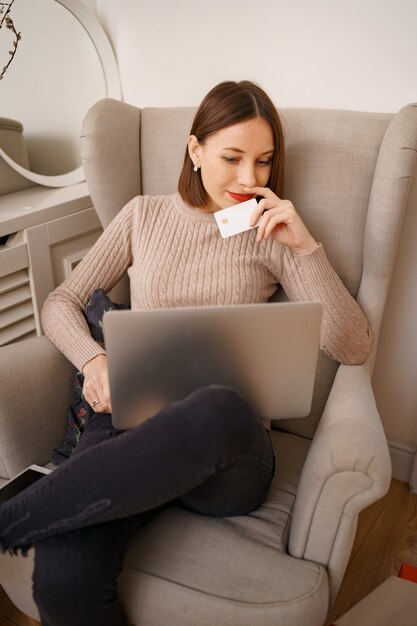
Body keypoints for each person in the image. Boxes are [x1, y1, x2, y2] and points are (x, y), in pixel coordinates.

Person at [0, 80, 371, 626]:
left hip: (226, 449)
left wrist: (305, 247)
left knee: (218, 404)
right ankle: (42, 509)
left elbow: (353, 344)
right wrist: (93, 359)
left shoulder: (269, 232)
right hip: (127, 425)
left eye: (264, 162)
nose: (250, 178)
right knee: (62, 584)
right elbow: (62, 302)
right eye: (232, 158)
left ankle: (19, 514)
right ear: (195, 151)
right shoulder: (142, 216)